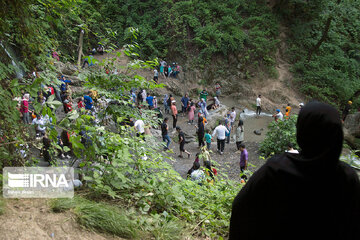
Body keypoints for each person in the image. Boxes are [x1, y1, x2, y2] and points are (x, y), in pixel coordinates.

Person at [229, 101, 360, 240]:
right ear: (337, 135)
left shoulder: (277, 169)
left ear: (302, 132)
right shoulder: (347, 178)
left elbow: (241, 207)